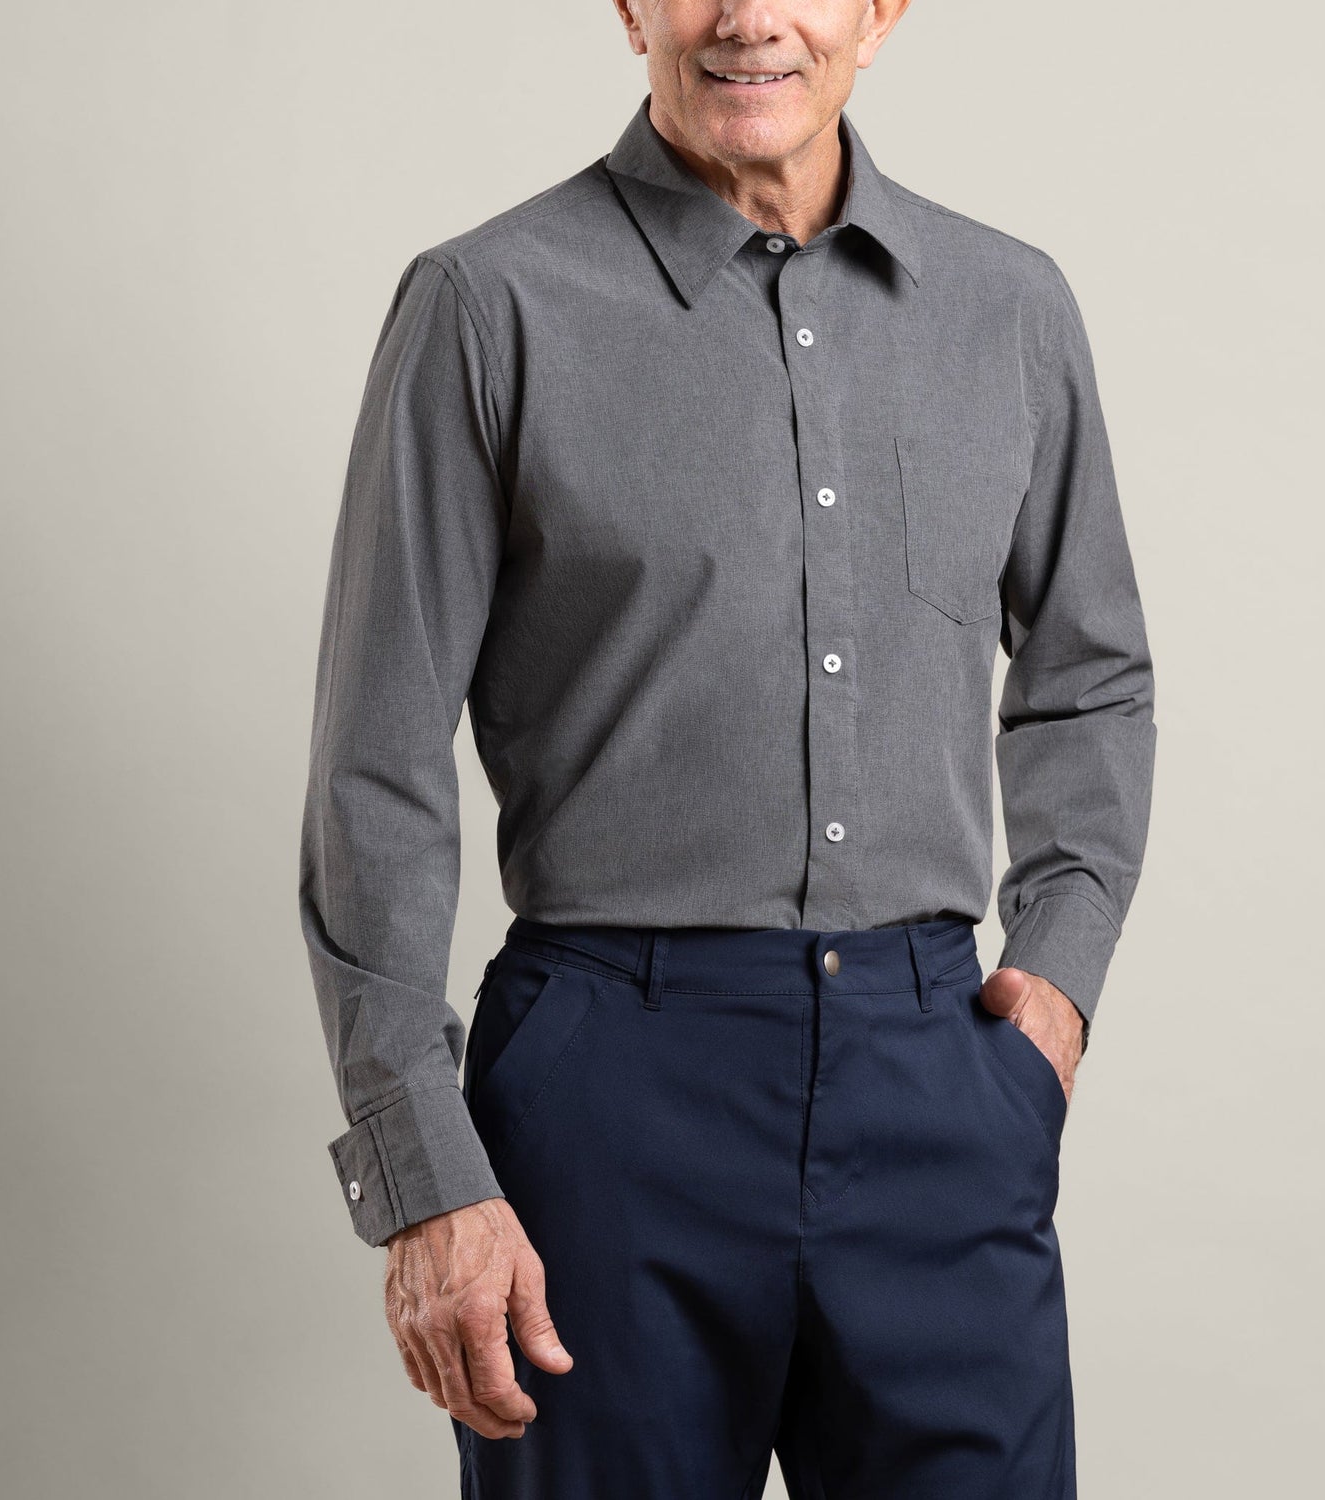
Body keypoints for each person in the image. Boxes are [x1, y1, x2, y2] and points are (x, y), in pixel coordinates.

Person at [297, 2, 1156, 1495]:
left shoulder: (1007, 308)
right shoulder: (487, 305)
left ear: (880, 12)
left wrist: (1058, 993)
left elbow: (1092, 679)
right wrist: (423, 1177)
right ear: (632, 6)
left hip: (936, 1080)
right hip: (608, 1102)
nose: (751, 18)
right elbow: (375, 771)